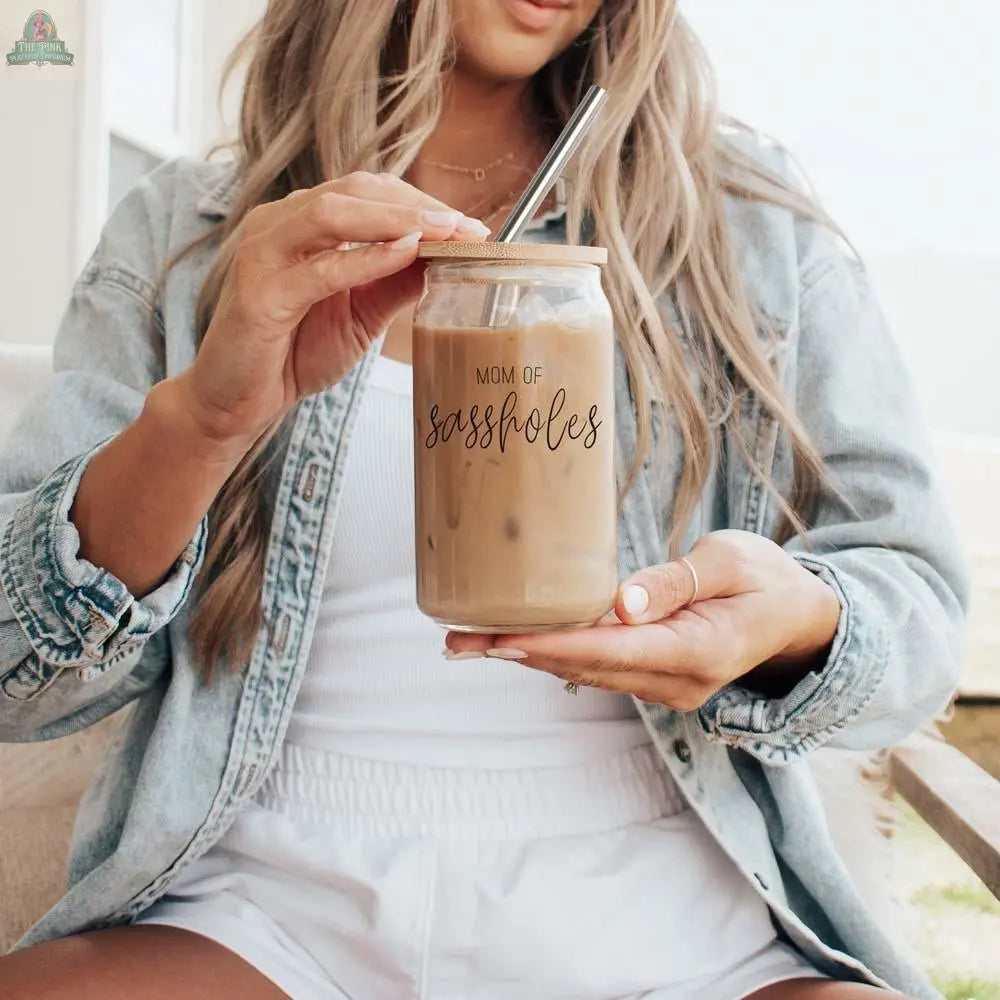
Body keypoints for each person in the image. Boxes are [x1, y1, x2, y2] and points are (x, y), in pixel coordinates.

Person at [0, 1, 966, 998]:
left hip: (675, 912)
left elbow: (918, 603)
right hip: (272, 903)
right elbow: (13, 680)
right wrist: (199, 424)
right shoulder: (195, 230)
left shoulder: (747, 227)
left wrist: (793, 620)